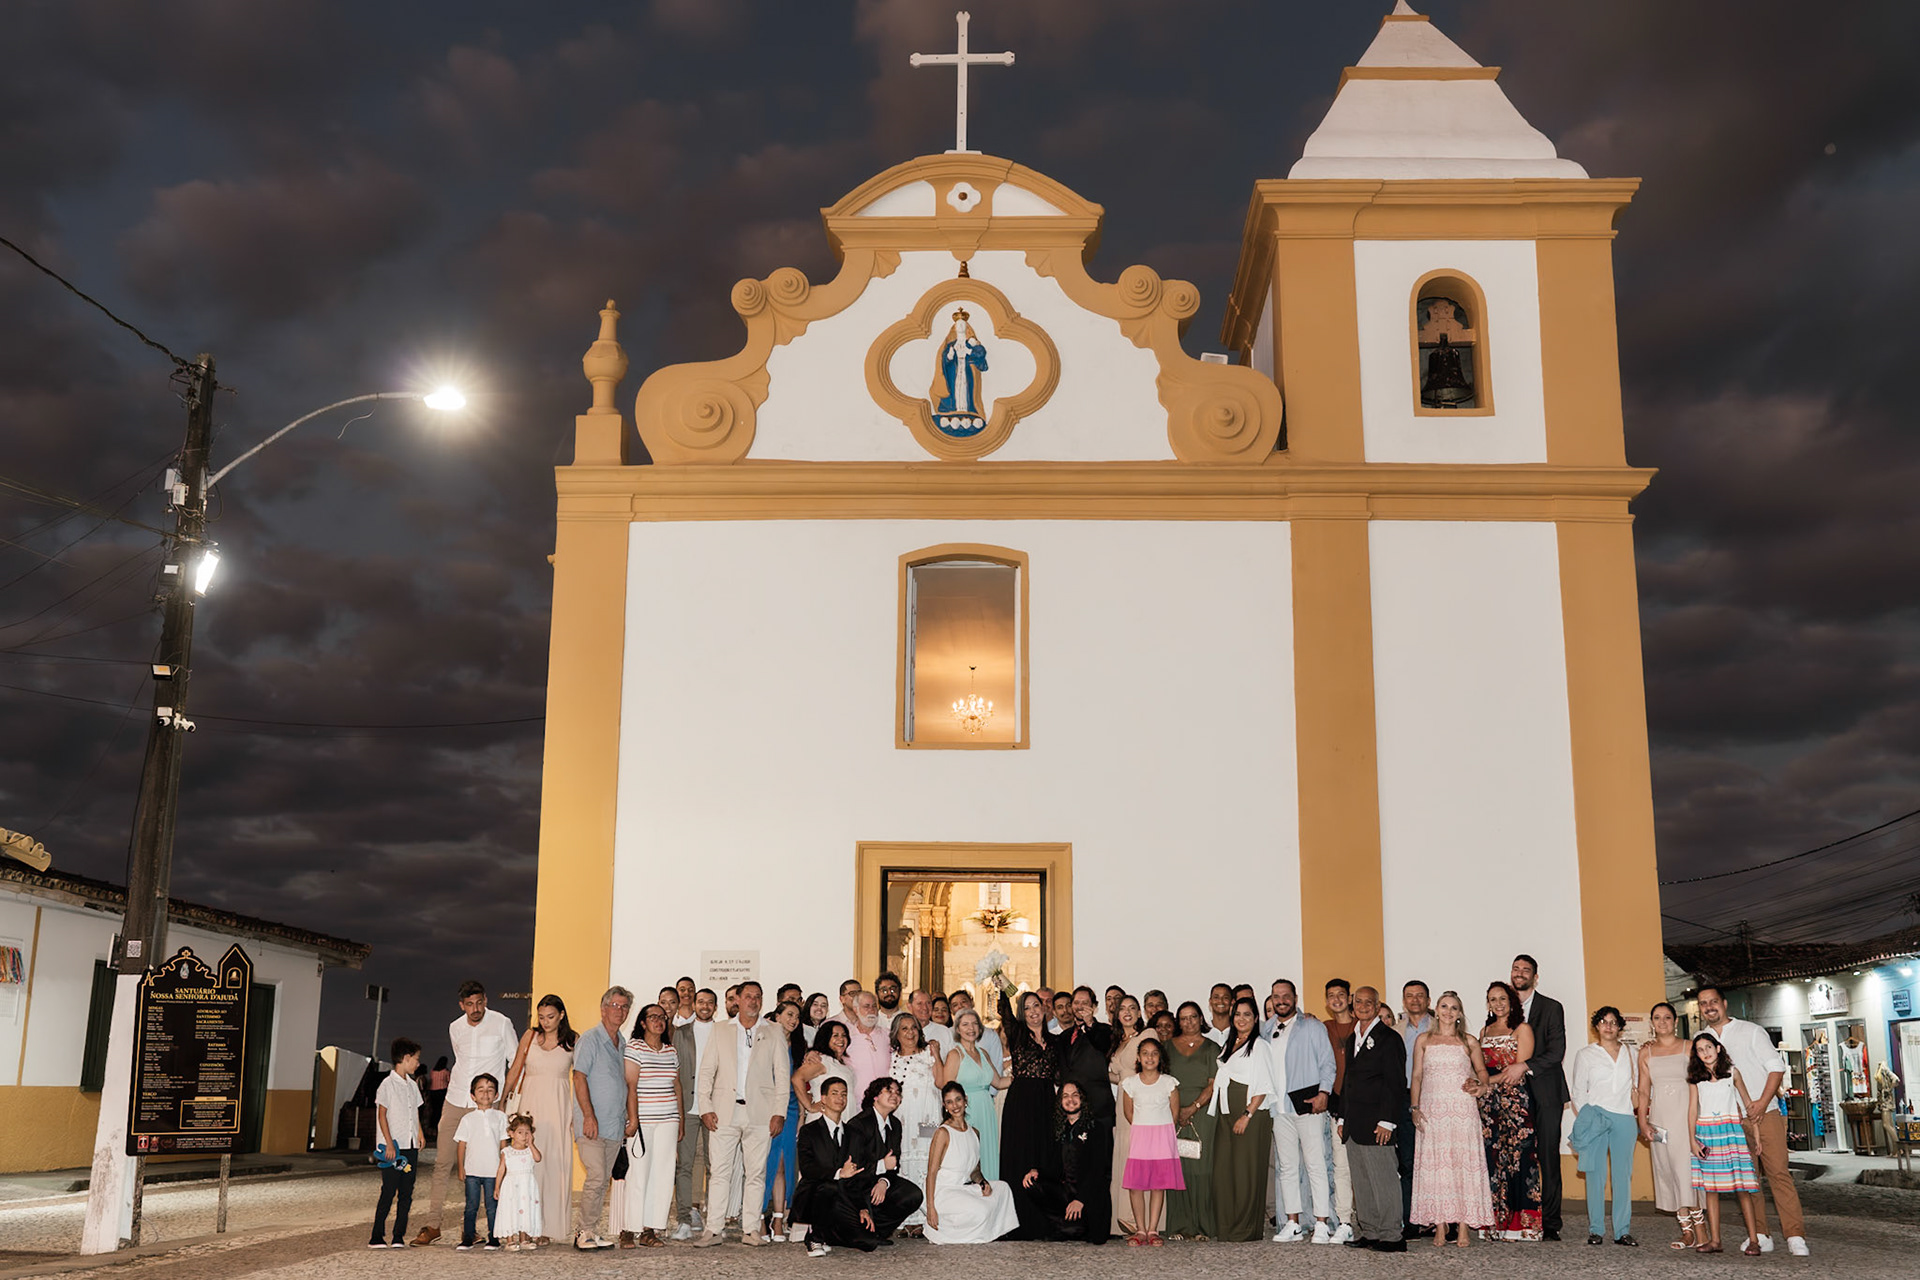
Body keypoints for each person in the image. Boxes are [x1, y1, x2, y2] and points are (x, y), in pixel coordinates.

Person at [1698, 984, 1808, 1256]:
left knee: (1779, 1174)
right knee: (1749, 1180)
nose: (1709, 1007)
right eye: (1703, 1003)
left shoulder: (1751, 1031)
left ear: (1724, 1004)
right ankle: (1760, 1234)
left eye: (1713, 1001)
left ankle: (1795, 1236)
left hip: (1765, 1112)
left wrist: (1761, 1102)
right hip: (1729, 1121)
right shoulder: (1702, 1039)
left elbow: (1776, 1067)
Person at [414, 981, 517, 1246]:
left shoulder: (501, 1023)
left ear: (486, 999)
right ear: (461, 1005)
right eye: (470, 1004)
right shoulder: (455, 1027)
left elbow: (515, 1062)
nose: (476, 1009)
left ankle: (476, 1228)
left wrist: (503, 1101)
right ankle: (433, 1225)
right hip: (456, 1099)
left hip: (487, 1106)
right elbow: (460, 1060)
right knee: (443, 1163)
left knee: (486, 1168)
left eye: (480, 1002)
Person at [691, 980, 784, 1247]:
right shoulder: (720, 1030)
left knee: (756, 1173)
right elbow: (707, 1071)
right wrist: (706, 1107)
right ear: (737, 1001)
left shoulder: (774, 1031)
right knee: (719, 1172)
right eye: (748, 997)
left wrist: (779, 1112)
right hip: (723, 1112)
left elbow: (782, 1074)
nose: (753, 1001)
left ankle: (751, 1229)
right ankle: (713, 1230)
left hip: (761, 1114)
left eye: (758, 997)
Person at [1407, 991, 1491, 1248]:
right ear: (1437, 1009)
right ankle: (1440, 1226)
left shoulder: (1469, 1041)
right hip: (1432, 1110)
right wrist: (1414, 1107)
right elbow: (1417, 1076)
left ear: (1459, 1014)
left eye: (1454, 1007)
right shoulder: (1423, 1040)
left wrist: (1479, 1084)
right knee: (1437, 1167)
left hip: (1462, 1111)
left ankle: (1464, 1226)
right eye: (1444, 1006)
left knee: (1462, 1165)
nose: (1448, 1011)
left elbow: (1483, 1073)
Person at [1266, 980, 1337, 1245]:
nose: (1281, 1000)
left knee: (1316, 1165)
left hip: (1307, 1106)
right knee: (1287, 1168)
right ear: (1271, 999)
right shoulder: (1265, 1029)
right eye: (1276, 996)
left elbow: (1327, 1063)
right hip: (1279, 1109)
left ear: (1295, 998)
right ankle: (1293, 1223)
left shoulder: (1312, 1026)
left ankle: (1321, 1222)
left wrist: (1324, 1093)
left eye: (1286, 995)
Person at [1339, 987, 1408, 1253]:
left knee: (1384, 1179)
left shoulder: (1389, 1038)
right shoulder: (1352, 1037)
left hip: (1377, 1123)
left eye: (1370, 1002)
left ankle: (1391, 1235)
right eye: (1359, 1001)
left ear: (1378, 1005)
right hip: (1354, 1123)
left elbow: (1395, 1083)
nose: (1364, 1006)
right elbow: (1348, 1081)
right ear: (1352, 1004)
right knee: (1362, 1180)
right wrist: (1342, 1116)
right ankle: (1370, 1231)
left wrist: (1387, 1121)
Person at [503, 995, 576, 1245]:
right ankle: (526, 1227)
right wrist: (503, 1099)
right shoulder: (530, 1036)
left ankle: (549, 1227)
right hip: (530, 1107)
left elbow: (581, 1078)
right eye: (541, 1017)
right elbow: (515, 1068)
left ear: (562, 1015)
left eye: (551, 1017)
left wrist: (579, 1113)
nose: (545, 1022)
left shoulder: (573, 1040)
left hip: (559, 1108)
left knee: (554, 1165)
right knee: (528, 1166)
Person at [1506, 955, 1568, 1240]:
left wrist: (1525, 1066)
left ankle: (1551, 1223)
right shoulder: (1503, 1008)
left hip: (1546, 1093)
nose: (1520, 973)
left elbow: (1556, 1053)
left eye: (1525, 970)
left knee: (1547, 1157)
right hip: (1511, 1097)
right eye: (1516, 969)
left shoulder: (1552, 1007)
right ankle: (1515, 1218)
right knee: (1514, 1157)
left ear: (1535, 977)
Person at [1568, 1005, 1639, 1247]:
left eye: (1613, 1022)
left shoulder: (1633, 1052)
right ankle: (1596, 1229)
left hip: (1625, 1119)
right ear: (1597, 1026)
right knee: (1594, 1176)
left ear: (1620, 1026)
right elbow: (1578, 1091)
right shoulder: (1586, 1054)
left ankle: (1622, 1231)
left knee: (1622, 1176)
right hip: (1596, 1117)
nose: (1608, 1026)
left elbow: (1639, 1084)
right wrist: (1589, 1116)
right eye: (1603, 1021)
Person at [1687, 1031, 1761, 1255]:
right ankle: (1715, 1240)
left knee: (1742, 1188)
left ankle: (1754, 1240)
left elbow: (1748, 1105)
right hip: (1707, 1134)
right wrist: (1692, 1139)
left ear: (1718, 1048)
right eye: (1700, 1050)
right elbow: (1692, 1110)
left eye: (1708, 1047)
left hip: (1731, 1134)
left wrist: (1756, 1134)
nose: (1705, 1053)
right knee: (1711, 1189)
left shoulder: (1732, 1073)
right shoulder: (1695, 1079)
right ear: (1696, 1055)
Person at [1207, 996, 1274, 1242]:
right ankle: (1226, 1226)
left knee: (1246, 1172)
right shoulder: (1230, 1043)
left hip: (1249, 1115)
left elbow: (1264, 1084)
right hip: (1225, 1114)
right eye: (1238, 1014)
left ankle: (1245, 1229)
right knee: (1223, 1172)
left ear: (1256, 1019)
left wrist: (1247, 1114)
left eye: (1247, 1014)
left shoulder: (1260, 1046)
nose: (1241, 1019)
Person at [1479, 980, 1542, 1241]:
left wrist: (1482, 1083)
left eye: (1502, 998)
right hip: (1488, 1105)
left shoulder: (1522, 1029)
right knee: (1493, 1162)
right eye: (1493, 999)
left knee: (1521, 1160)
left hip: (1515, 1103)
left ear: (1511, 1001)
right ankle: (1495, 1224)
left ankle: (1524, 1226)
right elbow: (1480, 1066)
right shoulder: (1484, 1031)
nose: (1498, 1003)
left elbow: (1516, 1071)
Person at [570, 986, 631, 1249]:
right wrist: (588, 1116)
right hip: (592, 1125)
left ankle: (592, 1231)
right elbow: (579, 1076)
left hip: (614, 1125)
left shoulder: (622, 1043)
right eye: (615, 1005)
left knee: (602, 1180)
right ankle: (582, 1231)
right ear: (603, 1009)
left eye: (624, 1007)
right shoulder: (590, 1039)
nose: (620, 1011)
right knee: (596, 1177)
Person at [1010, 1080, 1109, 1242]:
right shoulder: (1059, 1129)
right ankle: (1063, 1225)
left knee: (1095, 1238)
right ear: (1060, 1102)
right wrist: (1037, 1171)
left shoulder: (1096, 1128)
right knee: (1033, 1183)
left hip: (1089, 1195)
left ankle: (1076, 1226)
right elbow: (1054, 1167)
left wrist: (1080, 1200)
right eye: (1065, 1096)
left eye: (1075, 1095)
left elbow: (1098, 1170)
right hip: (1067, 1191)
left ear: (1082, 1099)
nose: (1070, 1099)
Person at [1635, 1001, 1700, 1249]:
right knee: (1667, 1171)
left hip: (1686, 1117)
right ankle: (1686, 1231)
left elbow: (1701, 1082)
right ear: (1652, 1023)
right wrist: (1643, 1121)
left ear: (1675, 1021)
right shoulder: (1646, 1053)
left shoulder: (1689, 1047)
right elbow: (1643, 1090)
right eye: (1657, 1018)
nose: (1662, 1022)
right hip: (1660, 1119)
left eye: (1667, 1018)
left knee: (1687, 1170)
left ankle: (1700, 1229)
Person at [924, 1081, 1020, 1243]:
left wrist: (983, 1182)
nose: (955, 1105)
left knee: (1003, 1188)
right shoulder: (943, 1133)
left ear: (965, 1100)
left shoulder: (974, 1132)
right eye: (949, 1102)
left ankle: (994, 1230)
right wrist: (930, 1208)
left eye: (958, 1099)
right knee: (982, 1210)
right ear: (944, 1105)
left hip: (962, 1189)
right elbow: (931, 1173)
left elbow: (974, 1170)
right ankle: (970, 1230)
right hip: (943, 1192)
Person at [620, 1003, 681, 1248]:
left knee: (663, 1175)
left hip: (669, 1120)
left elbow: (676, 1087)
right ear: (643, 1023)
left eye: (662, 1017)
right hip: (643, 1121)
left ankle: (649, 1229)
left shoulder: (670, 1050)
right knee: (638, 1174)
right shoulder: (634, 1047)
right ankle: (628, 1228)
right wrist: (633, 1120)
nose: (659, 1021)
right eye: (653, 1017)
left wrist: (681, 1121)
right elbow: (630, 1086)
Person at [844, 1078, 927, 1238]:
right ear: (875, 1096)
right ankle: (861, 1228)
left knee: (913, 1194)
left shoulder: (895, 1125)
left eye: (898, 1093)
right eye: (889, 1091)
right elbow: (854, 1167)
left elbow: (894, 1165)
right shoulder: (858, 1124)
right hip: (857, 1185)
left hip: (878, 1182)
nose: (895, 1095)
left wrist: (884, 1181)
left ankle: (877, 1232)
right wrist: (882, 1166)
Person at [1120, 1035, 1183, 1246]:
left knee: (1158, 1185)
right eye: (1145, 1053)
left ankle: (1153, 1230)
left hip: (1163, 1139)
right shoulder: (1130, 1083)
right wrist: (1144, 1129)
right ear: (1138, 1057)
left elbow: (1174, 1113)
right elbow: (1128, 1113)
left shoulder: (1169, 1082)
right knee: (1136, 1185)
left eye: (1154, 1053)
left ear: (1160, 1057)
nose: (1150, 1058)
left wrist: (1160, 1130)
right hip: (1140, 1138)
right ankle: (1140, 1230)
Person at [997, 986, 1061, 1188]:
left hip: (1047, 1100)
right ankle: (1018, 1212)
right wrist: (1001, 986)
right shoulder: (1017, 1034)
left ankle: (1044, 1212)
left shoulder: (1055, 1041)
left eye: (1036, 1006)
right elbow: (1005, 1013)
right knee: (1021, 1152)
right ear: (1021, 1014)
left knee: (1044, 1151)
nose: (1033, 1011)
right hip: (1021, 1101)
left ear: (1044, 1009)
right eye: (1027, 1008)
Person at [1163, 1002, 1217, 1241]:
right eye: (1183, 1018)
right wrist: (1178, 1111)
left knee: (1201, 1169)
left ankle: (1202, 1227)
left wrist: (1192, 1108)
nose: (1188, 1022)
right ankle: (1179, 1226)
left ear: (1200, 1018)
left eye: (1193, 1017)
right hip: (1171, 1111)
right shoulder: (1166, 1047)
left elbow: (1213, 1084)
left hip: (1202, 1113)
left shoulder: (1212, 1048)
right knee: (1176, 1168)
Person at [887, 1011, 942, 1229]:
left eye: (914, 1028)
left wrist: (937, 1055)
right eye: (905, 1029)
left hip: (926, 1118)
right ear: (896, 1034)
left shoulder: (929, 1052)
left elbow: (941, 1082)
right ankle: (906, 1218)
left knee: (926, 1161)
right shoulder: (891, 1057)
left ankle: (925, 1217)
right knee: (903, 1163)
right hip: (902, 1120)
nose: (910, 1033)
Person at [1105, 994, 1154, 1236]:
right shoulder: (1118, 1041)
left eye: (1132, 1008)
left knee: (1140, 1158)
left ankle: (1143, 1222)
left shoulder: (1147, 1036)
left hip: (1141, 1102)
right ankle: (1124, 1218)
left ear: (1139, 1013)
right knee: (1125, 1156)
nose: (1127, 1012)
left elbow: (1152, 1067)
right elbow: (1119, 1075)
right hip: (1121, 1100)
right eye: (1122, 1008)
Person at [671, 986, 717, 1240]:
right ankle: (684, 1220)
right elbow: (674, 1071)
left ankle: (713, 1219)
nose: (705, 1006)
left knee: (715, 1167)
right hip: (687, 1107)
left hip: (714, 1108)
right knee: (684, 1166)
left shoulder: (723, 1032)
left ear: (715, 1007)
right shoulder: (681, 1033)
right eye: (701, 1002)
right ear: (694, 1004)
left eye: (710, 1003)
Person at [369, 1036, 423, 1249]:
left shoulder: (412, 1085)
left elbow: (415, 1112)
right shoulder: (387, 1085)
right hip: (393, 1150)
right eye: (416, 1059)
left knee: (407, 1192)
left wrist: (419, 1133)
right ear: (406, 1058)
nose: (418, 1063)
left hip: (410, 1148)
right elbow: (382, 1115)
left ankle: (398, 1235)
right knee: (389, 1190)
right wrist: (389, 1143)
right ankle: (376, 1235)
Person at [944, 1009, 1010, 1181]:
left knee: (988, 1154)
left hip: (987, 1111)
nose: (971, 1028)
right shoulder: (955, 1054)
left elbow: (998, 1082)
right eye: (965, 1024)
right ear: (957, 1029)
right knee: (970, 1158)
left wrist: (1024, 1077)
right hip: (966, 1112)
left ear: (980, 1028)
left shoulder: (984, 1053)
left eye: (974, 1024)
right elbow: (947, 1088)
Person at [760, 1001, 805, 1242]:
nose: (794, 1019)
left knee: (783, 1164)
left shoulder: (798, 1046)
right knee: (761, 1164)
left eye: (797, 1016)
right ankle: (758, 1218)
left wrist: (803, 1114)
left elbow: (799, 1083)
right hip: (764, 1108)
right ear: (776, 1017)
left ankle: (779, 1218)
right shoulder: (763, 1041)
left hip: (789, 1109)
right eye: (789, 1014)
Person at [1394, 980, 1434, 1236]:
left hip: (1436, 1098)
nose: (1415, 1000)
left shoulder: (1443, 1026)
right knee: (1407, 1163)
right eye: (1410, 996)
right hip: (1405, 1099)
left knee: (1437, 1162)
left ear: (1428, 1001)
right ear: (1404, 1001)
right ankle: (1411, 1221)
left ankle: (1441, 1221)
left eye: (1420, 996)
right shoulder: (1395, 1031)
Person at [454, 1073, 508, 1250]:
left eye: (490, 1090)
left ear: (497, 1095)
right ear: (473, 1096)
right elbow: (462, 1145)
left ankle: (494, 1238)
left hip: (493, 1171)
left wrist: (504, 1167)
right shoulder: (468, 1119)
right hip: (472, 1171)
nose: (485, 1094)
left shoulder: (500, 1117)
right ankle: (468, 1237)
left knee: (492, 1207)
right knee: (471, 1206)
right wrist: (461, 1167)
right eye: (481, 1090)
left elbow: (503, 1144)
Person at [1322, 978, 1357, 1234]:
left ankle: (1371, 1217)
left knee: (1366, 1165)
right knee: (1341, 1165)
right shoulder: (1324, 1028)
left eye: (1341, 994)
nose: (1337, 999)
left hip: (1364, 1104)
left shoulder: (1363, 1025)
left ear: (1350, 997)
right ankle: (1344, 1220)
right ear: (1326, 1001)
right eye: (1331, 995)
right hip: (1337, 1103)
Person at [494, 1114, 544, 1251]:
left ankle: (524, 1239)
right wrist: (497, 1187)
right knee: (510, 1210)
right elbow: (501, 1170)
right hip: (511, 1186)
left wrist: (531, 1144)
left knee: (525, 1208)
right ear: (511, 1133)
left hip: (526, 1185)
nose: (524, 1135)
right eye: (520, 1132)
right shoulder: (507, 1151)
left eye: (527, 1132)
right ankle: (510, 1240)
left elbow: (538, 1158)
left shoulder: (529, 1151)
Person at [845, 991, 891, 1102]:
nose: (871, 1010)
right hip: (857, 1102)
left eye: (874, 1006)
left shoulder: (888, 1035)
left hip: (885, 1102)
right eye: (866, 1006)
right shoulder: (846, 1035)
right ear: (856, 1010)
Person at [911, 989, 953, 1058]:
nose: (925, 1008)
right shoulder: (903, 1031)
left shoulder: (945, 1032)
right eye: (919, 1003)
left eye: (928, 1003)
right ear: (909, 1006)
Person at [426, 1056, 451, 1140]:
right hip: (441, 1091)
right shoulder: (445, 1071)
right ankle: (438, 1128)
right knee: (440, 1110)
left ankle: (432, 1128)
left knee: (434, 1110)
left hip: (433, 1092)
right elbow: (449, 1081)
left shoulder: (432, 1071)